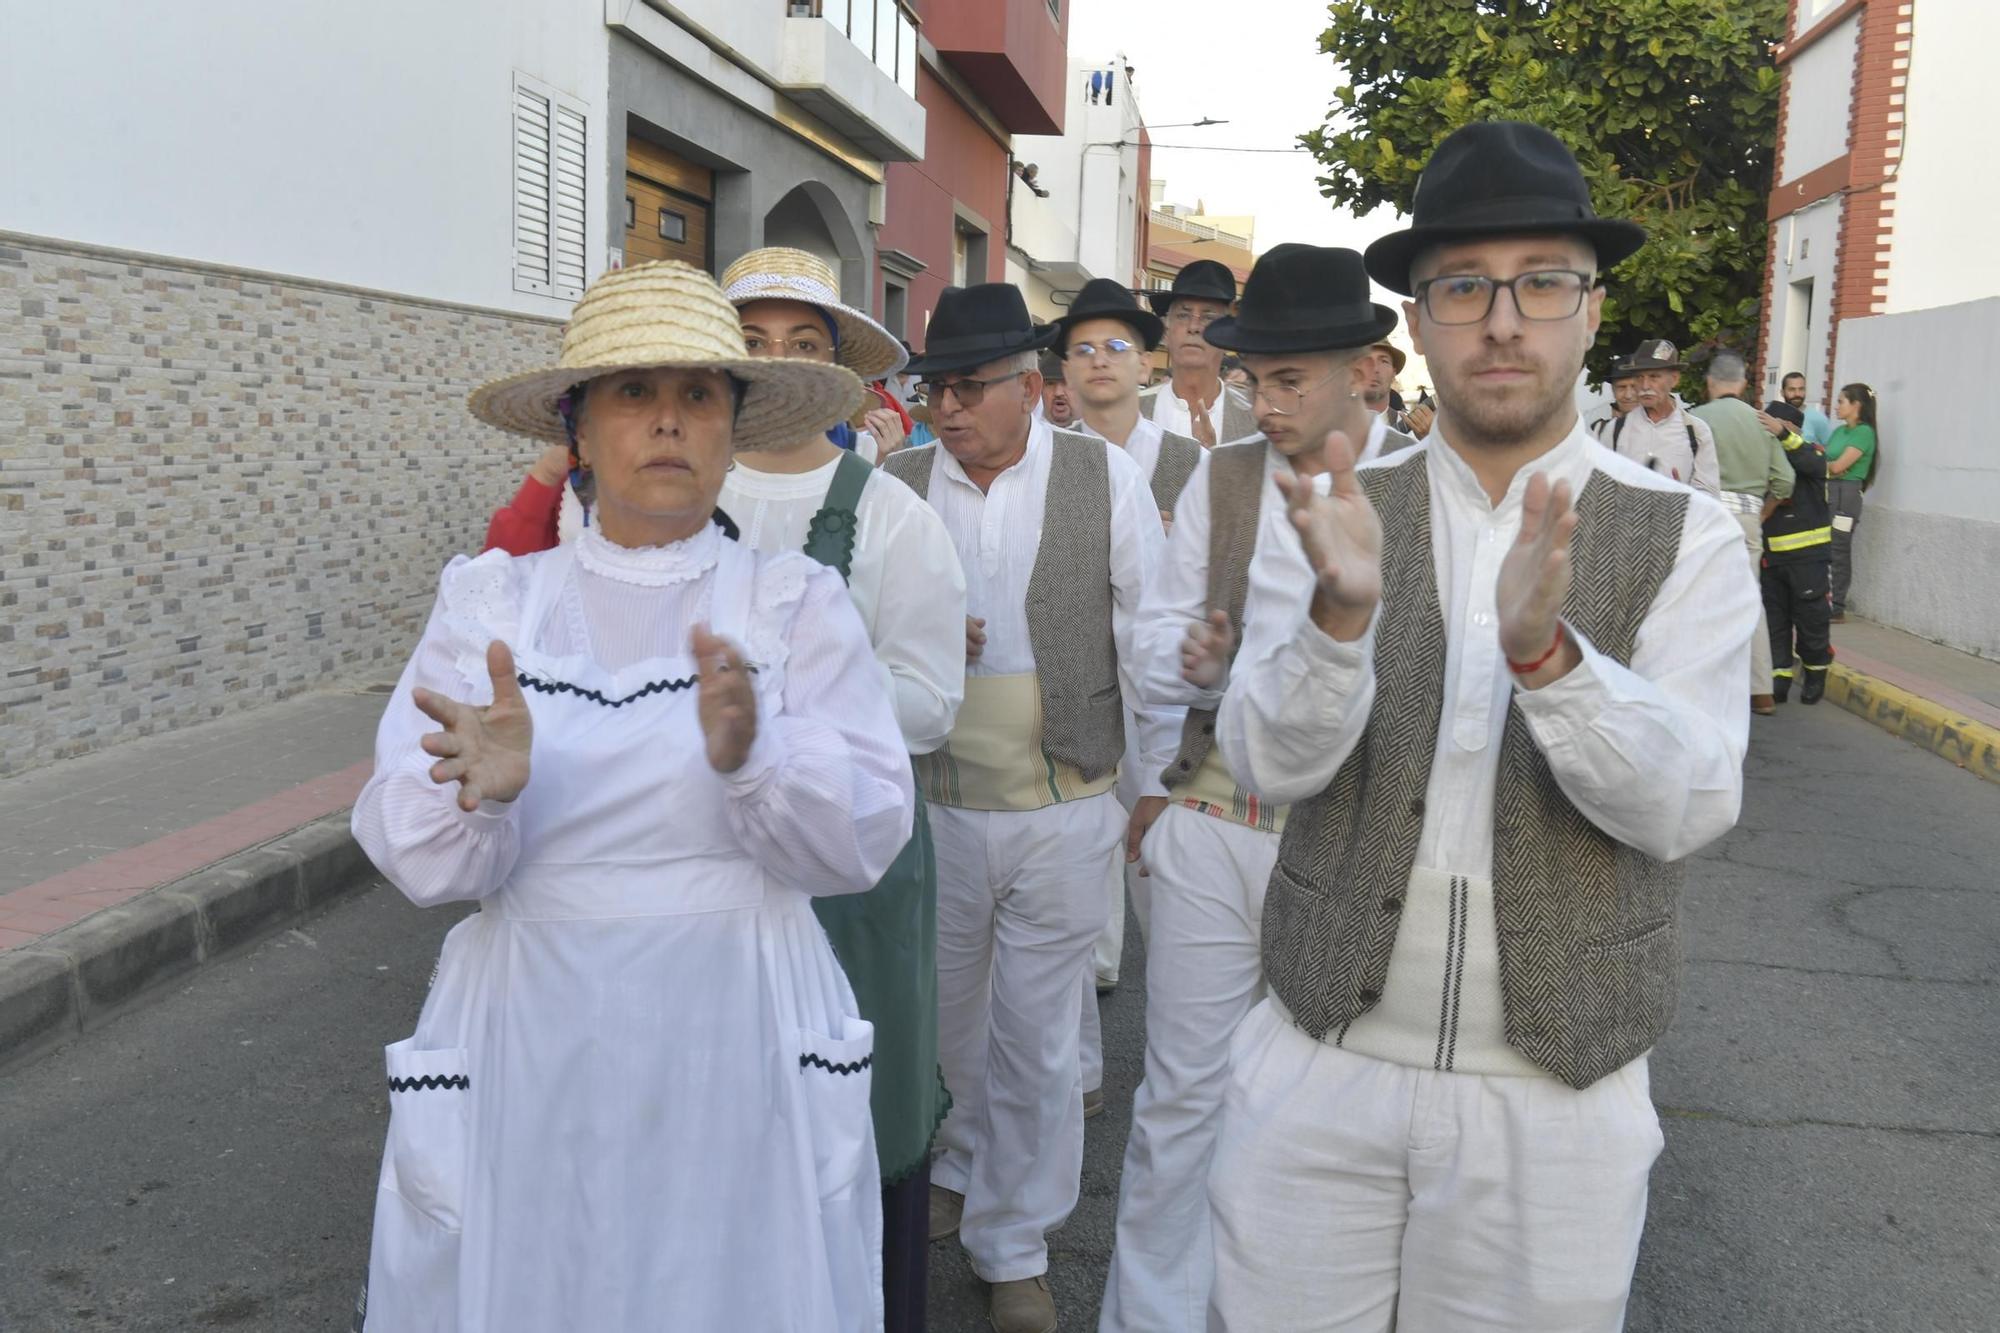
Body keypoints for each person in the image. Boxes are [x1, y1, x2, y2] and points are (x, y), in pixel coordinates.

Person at [1206, 120, 1757, 1332]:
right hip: (1318, 1073)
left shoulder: (1686, 536)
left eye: (1540, 282)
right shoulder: (1338, 510)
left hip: (1554, 1106)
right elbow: (1261, 763)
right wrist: (1338, 622)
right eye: (1462, 287)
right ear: (1414, 321)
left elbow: (1690, 801)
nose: (1501, 320)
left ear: (1588, 309)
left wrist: (1551, 664)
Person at [351, 260, 913, 1332]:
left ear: (733, 426)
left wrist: (759, 759)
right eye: (632, 394)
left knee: (733, 1288)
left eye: (698, 394)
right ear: (579, 430)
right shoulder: (492, 604)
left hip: (737, 1023)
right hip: (536, 1029)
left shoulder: (793, 602)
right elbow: (416, 853)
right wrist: (489, 798)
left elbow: (866, 835)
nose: (668, 422)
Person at [1101, 243, 1399, 1333]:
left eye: (1287, 379)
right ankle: (1148, 1318)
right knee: (1181, 1095)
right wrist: (1194, 665)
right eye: (1250, 378)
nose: (1262, 402)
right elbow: (1158, 633)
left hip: (1348, 839)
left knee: (1323, 1108)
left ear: (1361, 370)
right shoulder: (1221, 479)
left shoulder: (1417, 487)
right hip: (1216, 821)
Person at [882, 282, 1173, 1333]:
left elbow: (1146, 635)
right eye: (934, 389)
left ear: (1030, 389)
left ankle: (1016, 1244)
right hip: (939, 806)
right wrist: (908, 632)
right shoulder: (898, 481)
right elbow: (849, 626)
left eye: (967, 388)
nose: (947, 408)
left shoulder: (1103, 476)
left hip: (1065, 800)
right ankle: (955, 1166)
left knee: (1040, 1035)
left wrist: (1151, 789)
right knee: (949, 1024)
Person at [1052, 276, 1198, 1106]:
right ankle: (1075, 1075)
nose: (1100, 362)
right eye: (1082, 348)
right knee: (1067, 897)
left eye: (1116, 347)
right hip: (1069, 699)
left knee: (1165, 888)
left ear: (1146, 364)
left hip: (1161, 708)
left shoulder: (1189, 464)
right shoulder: (1040, 460)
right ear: (1062, 370)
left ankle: (1183, 1069)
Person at [1690, 352, 1795, 716]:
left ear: (1709, 382)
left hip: (1706, 519)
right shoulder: (1761, 421)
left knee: (1699, 599)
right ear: (1745, 383)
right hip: (1749, 520)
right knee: (1750, 600)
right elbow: (1785, 481)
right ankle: (1760, 691)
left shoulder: (1695, 419)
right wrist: (1760, 515)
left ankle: (1704, 686)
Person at [1756, 400, 1835, 703]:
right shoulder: (1765, 458)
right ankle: (1779, 677)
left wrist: (1783, 436)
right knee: (1775, 623)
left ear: (1791, 429)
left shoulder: (1811, 454)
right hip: (1772, 559)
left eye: (1774, 427)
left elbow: (1811, 464)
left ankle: (1816, 672)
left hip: (1808, 560)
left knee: (1811, 621)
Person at [1141, 261, 1257, 447]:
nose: (1193, 327)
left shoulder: (1255, 416)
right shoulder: (1132, 411)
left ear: (1228, 335)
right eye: (1183, 315)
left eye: (1208, 317)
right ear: (1166, 331)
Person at [1596, 339, 1720, 498]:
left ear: (1674, 379)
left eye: (1654, 377)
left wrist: (1682, 496)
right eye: (1639, 377)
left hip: (1675, 520)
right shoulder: (1614, 430)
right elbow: (1600, 487)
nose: (1645, 385)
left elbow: (1709, 492)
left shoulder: (1696, 431)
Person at [1825, 382, 1879, 621]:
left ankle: (1837, 606)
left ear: (1856, 405)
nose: (1837, 406)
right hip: (1830, 492)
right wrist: (1829, 469)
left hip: (1846, 498)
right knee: (1825, 547)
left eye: (1841, 401)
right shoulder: (1839, 432)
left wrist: (1828, 468)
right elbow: (1827, 464)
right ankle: (1825, 598)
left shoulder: (1864, 433)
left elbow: (1836, 465)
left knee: (1838, 548)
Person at [1356, 339, 1421, 462]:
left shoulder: (1414, 430)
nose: (1375, 368)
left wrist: (1430, 442)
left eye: (1383, 361)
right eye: (1366, 360)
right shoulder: (1329, 427)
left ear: (1394, 372)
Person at [1585, 357, 1640, 437]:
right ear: (1613, 390)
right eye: (1621, 387)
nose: (1628, 395)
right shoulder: (1601, 431)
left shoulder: (1662, 429)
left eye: (1634, 387)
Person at [1779, 371, 1836, 447]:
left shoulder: (1818, 418)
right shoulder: (1774, 416)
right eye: (1792, 389)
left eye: (1801, 389)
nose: (1797, 394)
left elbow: (1831, 450)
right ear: (1782, 392)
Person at [1039, 349, 1079, 427]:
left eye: (1066, 382)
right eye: (1050, 383)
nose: (1058, 392)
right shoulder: (1027, 434)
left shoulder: (1102, 435)